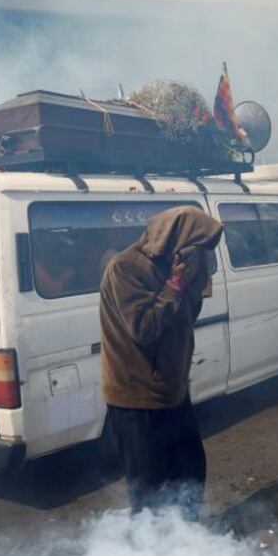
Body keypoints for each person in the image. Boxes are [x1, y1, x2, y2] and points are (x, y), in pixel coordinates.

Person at [99, 205, 223, 519]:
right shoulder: (125, 268)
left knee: (190, 474)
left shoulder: (177, 265)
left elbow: (186, 319)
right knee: (149, 490)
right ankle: (150, 547)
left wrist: (194, 280)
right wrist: (174, 285)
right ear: (176, 241)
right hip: (136, 400)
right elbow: (144, 329)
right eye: (197, 249)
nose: (200, 256)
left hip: (173, 392)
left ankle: (185, 538)